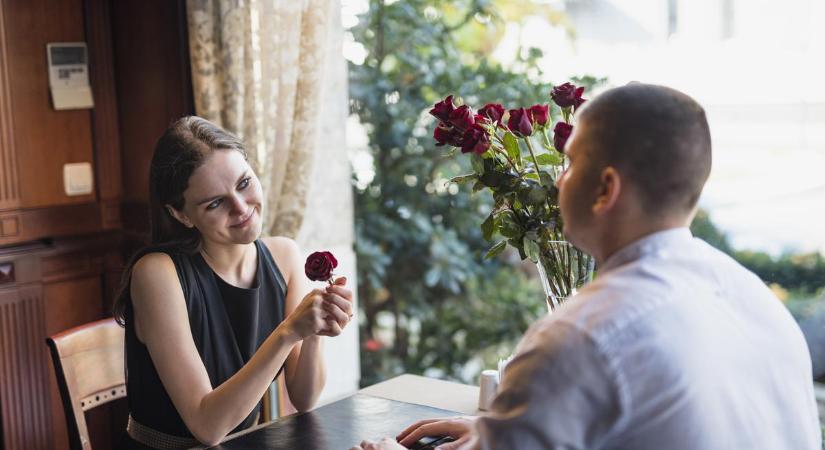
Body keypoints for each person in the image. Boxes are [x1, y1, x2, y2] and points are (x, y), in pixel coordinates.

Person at [353, 84, 821, 450]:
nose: (559, 178)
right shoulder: (755, 299)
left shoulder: (581, 337)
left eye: (571, 162)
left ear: (605, 189)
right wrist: (510, 430)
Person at [112, 116, 354, 449]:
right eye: (214, 203)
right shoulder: (156, 273)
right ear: (181, 215)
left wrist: (315, 329)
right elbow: (208, 428)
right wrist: (288, 332)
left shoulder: (284, 256)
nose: (241, 208)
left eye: (244, 183)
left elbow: (305, 397)